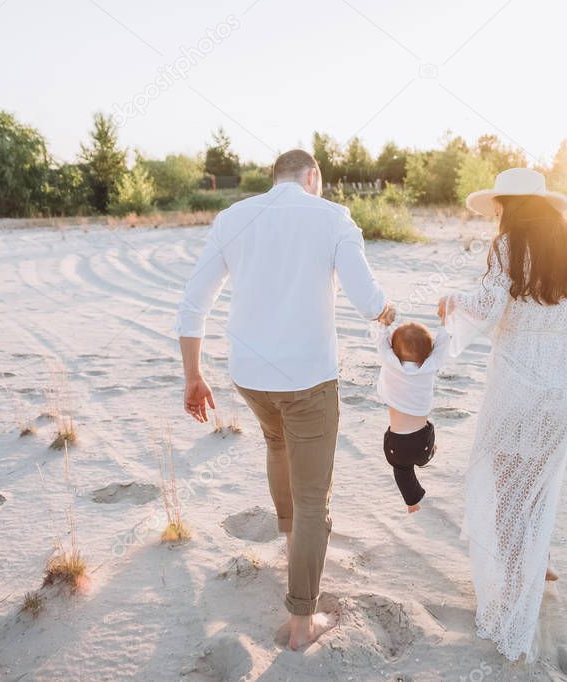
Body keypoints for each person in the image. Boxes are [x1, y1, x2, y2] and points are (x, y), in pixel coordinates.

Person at [175, 149, 395, 650]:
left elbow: (194, 302)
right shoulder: (332, 216)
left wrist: (193, 376)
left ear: (275, 177)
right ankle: (302, 623)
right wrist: (388, 312)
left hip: (250, 378)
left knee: (277, 448)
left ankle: (294, 544)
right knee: (314, 494)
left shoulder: (233, 216)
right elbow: (367, 300)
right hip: (308, 379)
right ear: (313, 176)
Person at [439, 168, 567, 662]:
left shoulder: (508, 245)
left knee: (510, 481)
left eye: (498, 206)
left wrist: (452, 302)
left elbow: (489, 307)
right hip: (561, 376)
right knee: (541, 474)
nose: (494, 214)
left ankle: (516, 586)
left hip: (515, 373)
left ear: (509, 206)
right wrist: (557, 331)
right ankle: (541, 560)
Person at [374, 321, 450, 512]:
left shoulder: (391, 364)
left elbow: (381, 343)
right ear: (428, 354)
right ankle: (429, 454)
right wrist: (445, 323)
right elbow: (443, 346)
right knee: (428, 428)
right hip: (421, 444)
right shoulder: (429, 366)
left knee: (402, 471)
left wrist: (384, 324)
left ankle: (412, 503)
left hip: (396, 446)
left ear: (394, 352)